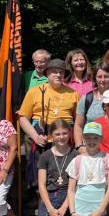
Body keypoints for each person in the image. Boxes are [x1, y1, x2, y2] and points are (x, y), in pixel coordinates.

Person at [18, 58, 79, 187]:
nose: (58, 74)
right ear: (47, 74)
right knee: (38, 172)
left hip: (65, 138)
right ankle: (38, 200)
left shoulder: (73, 93)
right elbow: (23, 118)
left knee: (64, 172)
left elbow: (78, 121)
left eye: (61, 72)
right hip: (40, 136)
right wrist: (35, 136)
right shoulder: (34, 91)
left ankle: (64, 199)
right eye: (54, 72)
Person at [74, 64, 109, 155]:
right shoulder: (86, 99)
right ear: (95, 78)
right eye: (99, 77)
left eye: (106, 76)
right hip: (91, 149)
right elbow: (78, 125)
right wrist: (79, 146)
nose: (103, 80)